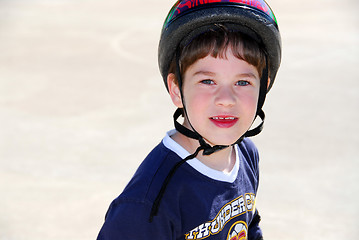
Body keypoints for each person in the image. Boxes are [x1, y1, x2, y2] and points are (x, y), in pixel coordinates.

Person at [97, 0, 281, 239]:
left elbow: (249, 226)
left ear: (263, 90)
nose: (226, 99)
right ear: (177, 90)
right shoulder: (148, 203)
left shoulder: (246, 154)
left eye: (242, 82)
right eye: (207, 81)